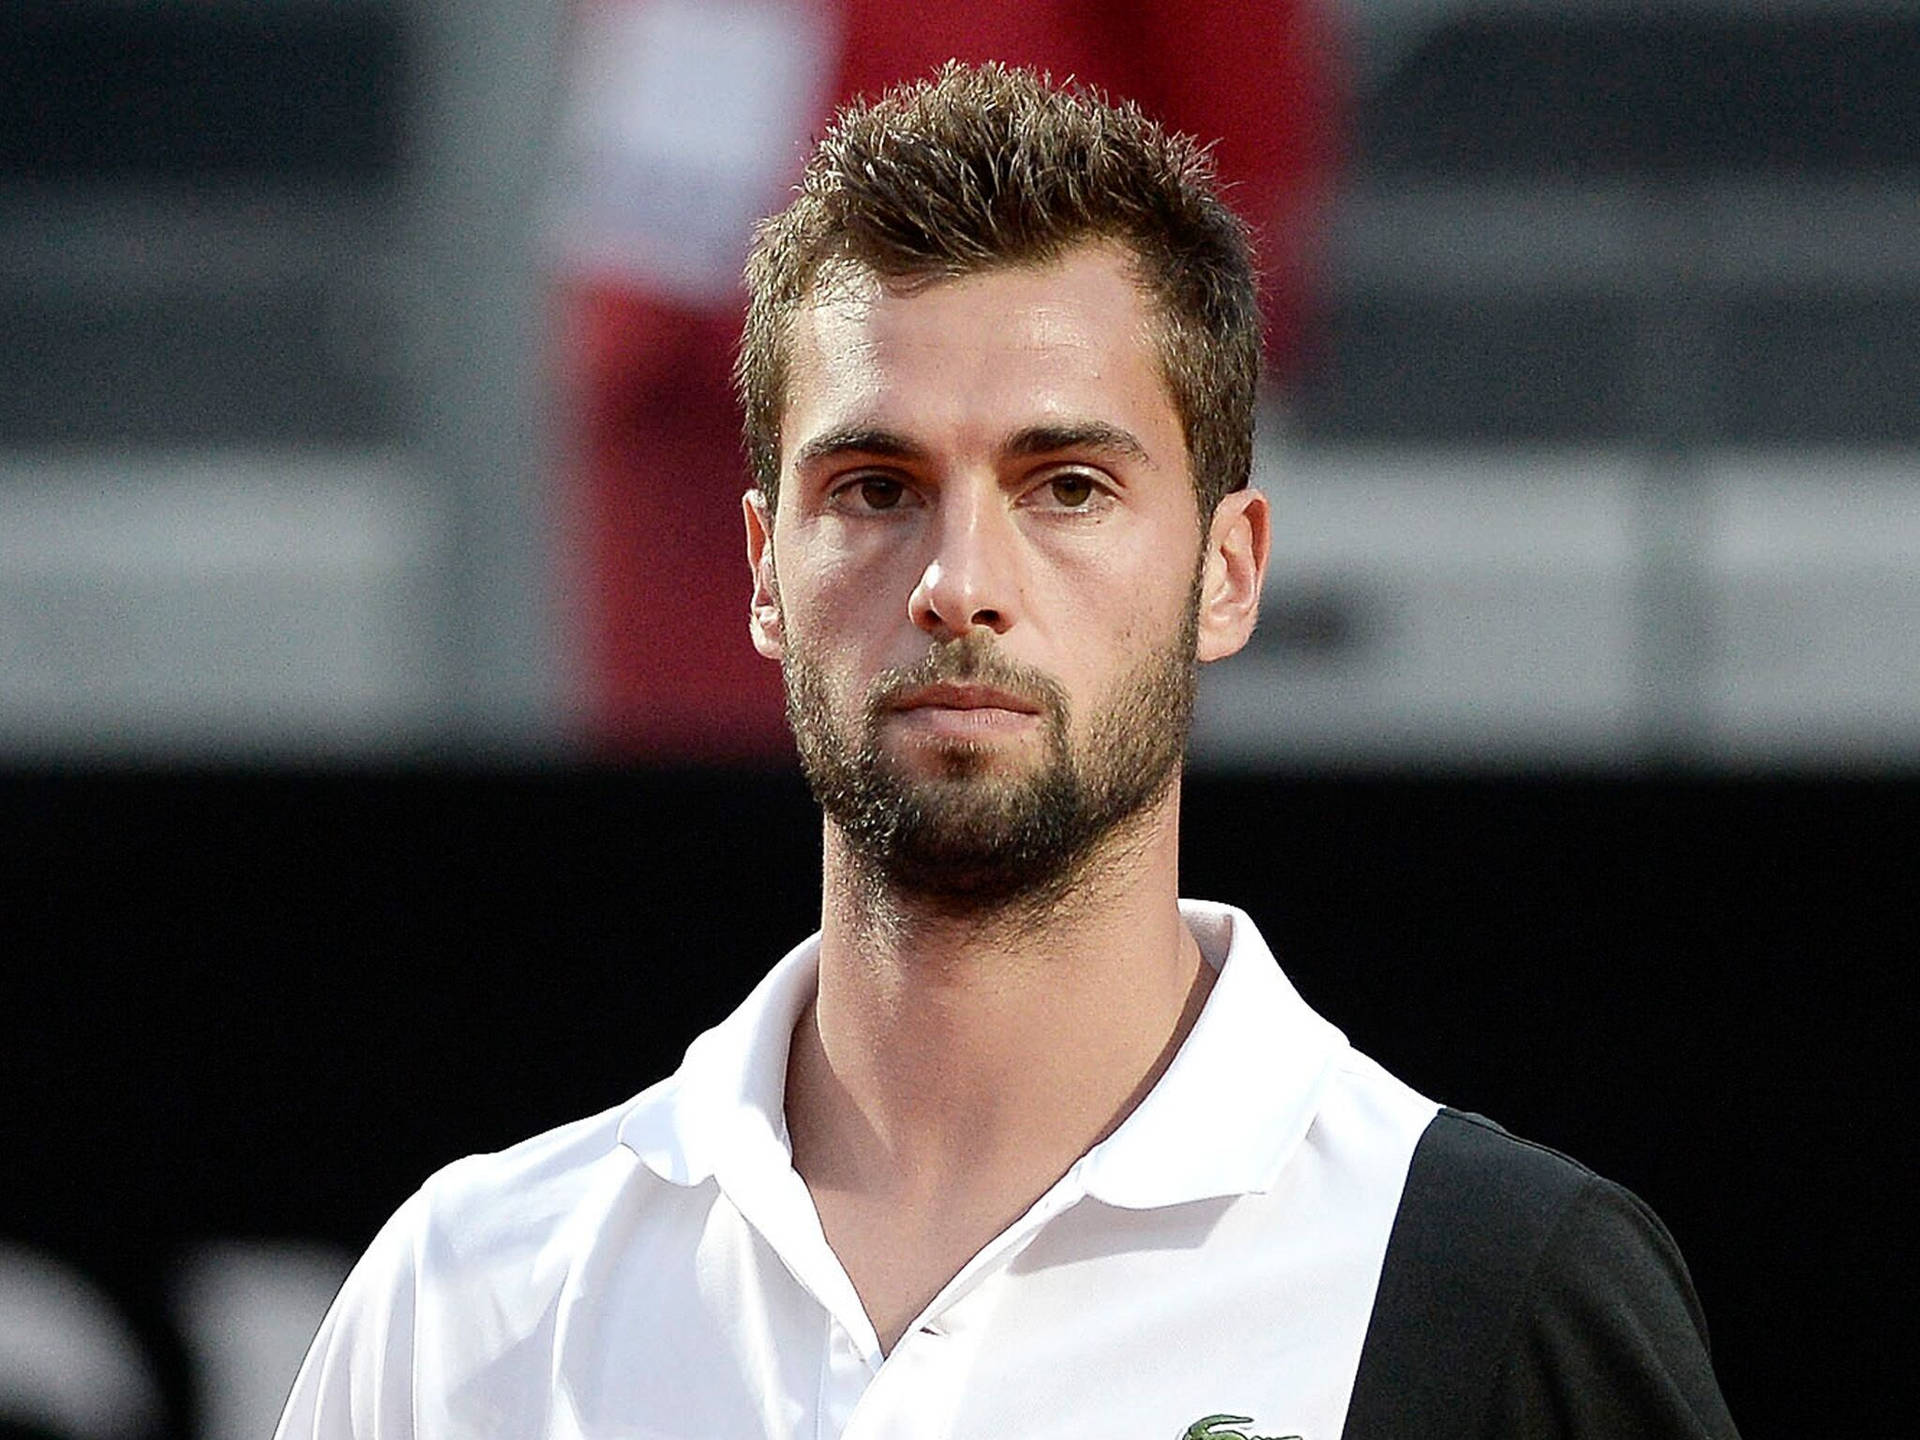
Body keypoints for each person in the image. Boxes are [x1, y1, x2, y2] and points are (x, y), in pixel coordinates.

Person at [277, 64, 1739, 1439]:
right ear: (764, 569)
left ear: (1228, 571)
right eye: (873, 485)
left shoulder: (1493, 1285)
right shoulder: (464, 1308)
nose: (958, 577)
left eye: (1068, 485)